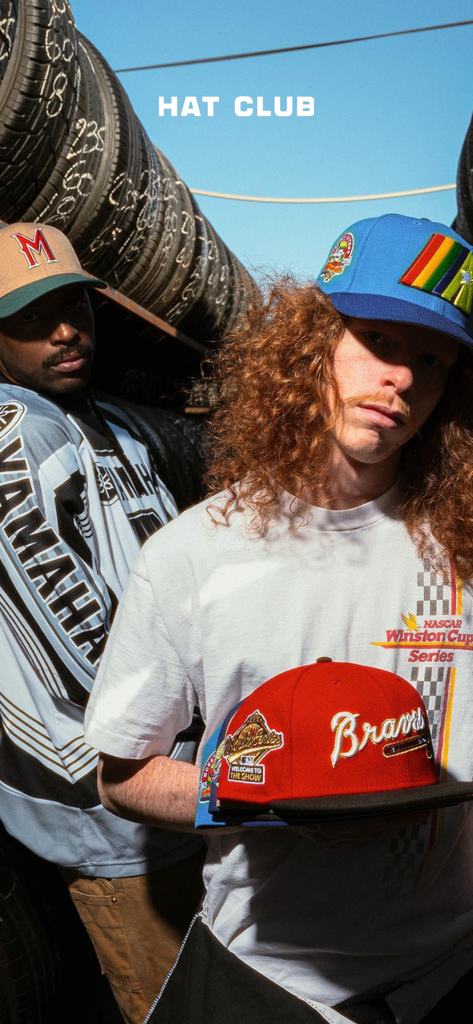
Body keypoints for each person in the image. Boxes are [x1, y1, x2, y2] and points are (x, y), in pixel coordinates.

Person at [85, 213, 473, 1023]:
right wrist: (253, 795)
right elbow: (120, 777)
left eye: (431, 362)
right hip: (272, 978)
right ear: (311, 346)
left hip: (453, 962)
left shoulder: (461, 546)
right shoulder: (194, 556)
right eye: (376, 339)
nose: (401, 379)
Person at [0, 222, 204, 1024]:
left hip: (171, 767)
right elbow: (73, 625)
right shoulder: (16, 431)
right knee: (174, 1004)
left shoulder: (110, 423)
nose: (61, 331)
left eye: (70, 306)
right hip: (109, 798)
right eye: (27, 317)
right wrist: (178, 727)